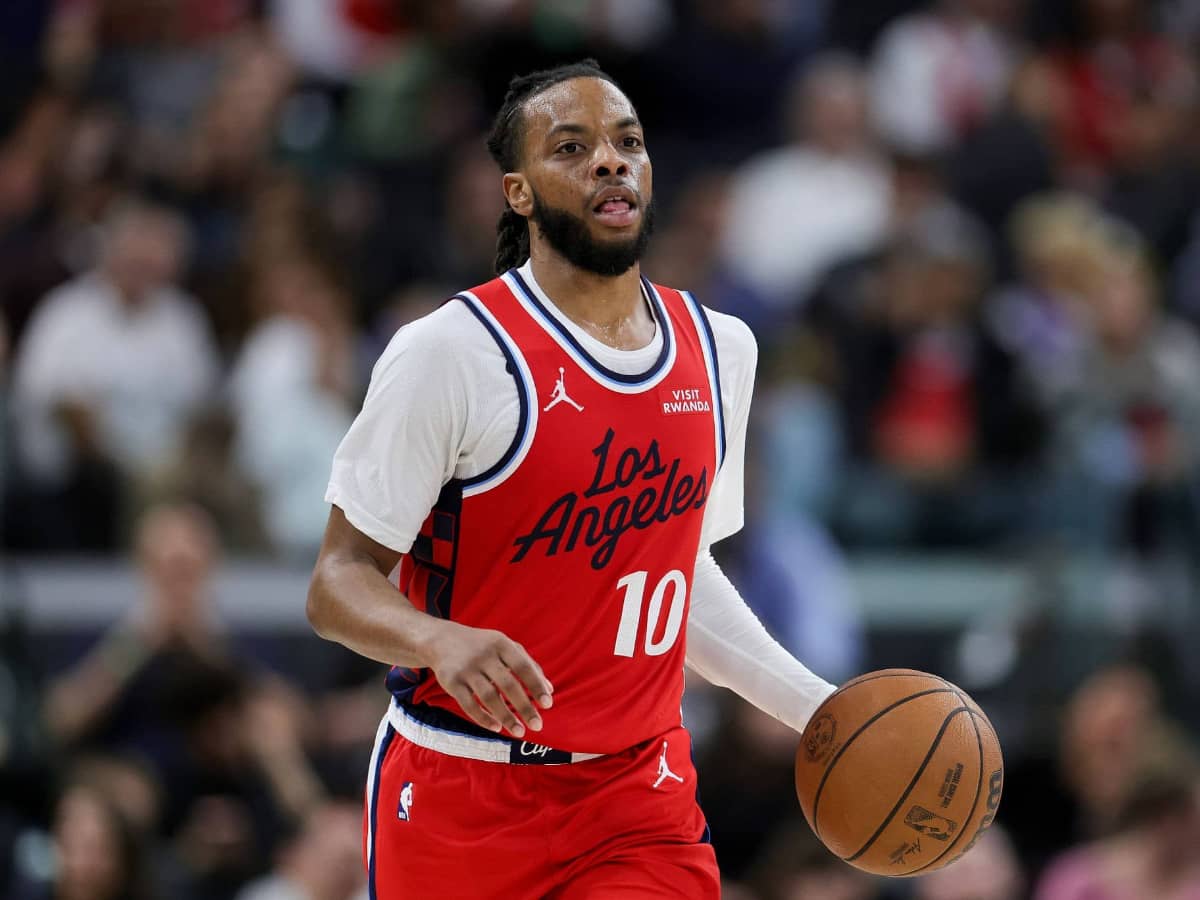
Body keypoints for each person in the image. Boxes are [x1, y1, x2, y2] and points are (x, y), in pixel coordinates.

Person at [307, 59, 836, 899]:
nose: (610, 160)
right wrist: (436, 639)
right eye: (572, 146)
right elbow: (337, 582)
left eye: (628, 142)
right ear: (518, 192)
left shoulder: (720, 349)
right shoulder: (450, 354)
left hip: (636, 793)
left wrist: (819, 709)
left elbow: (675, 577)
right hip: (459, 791)